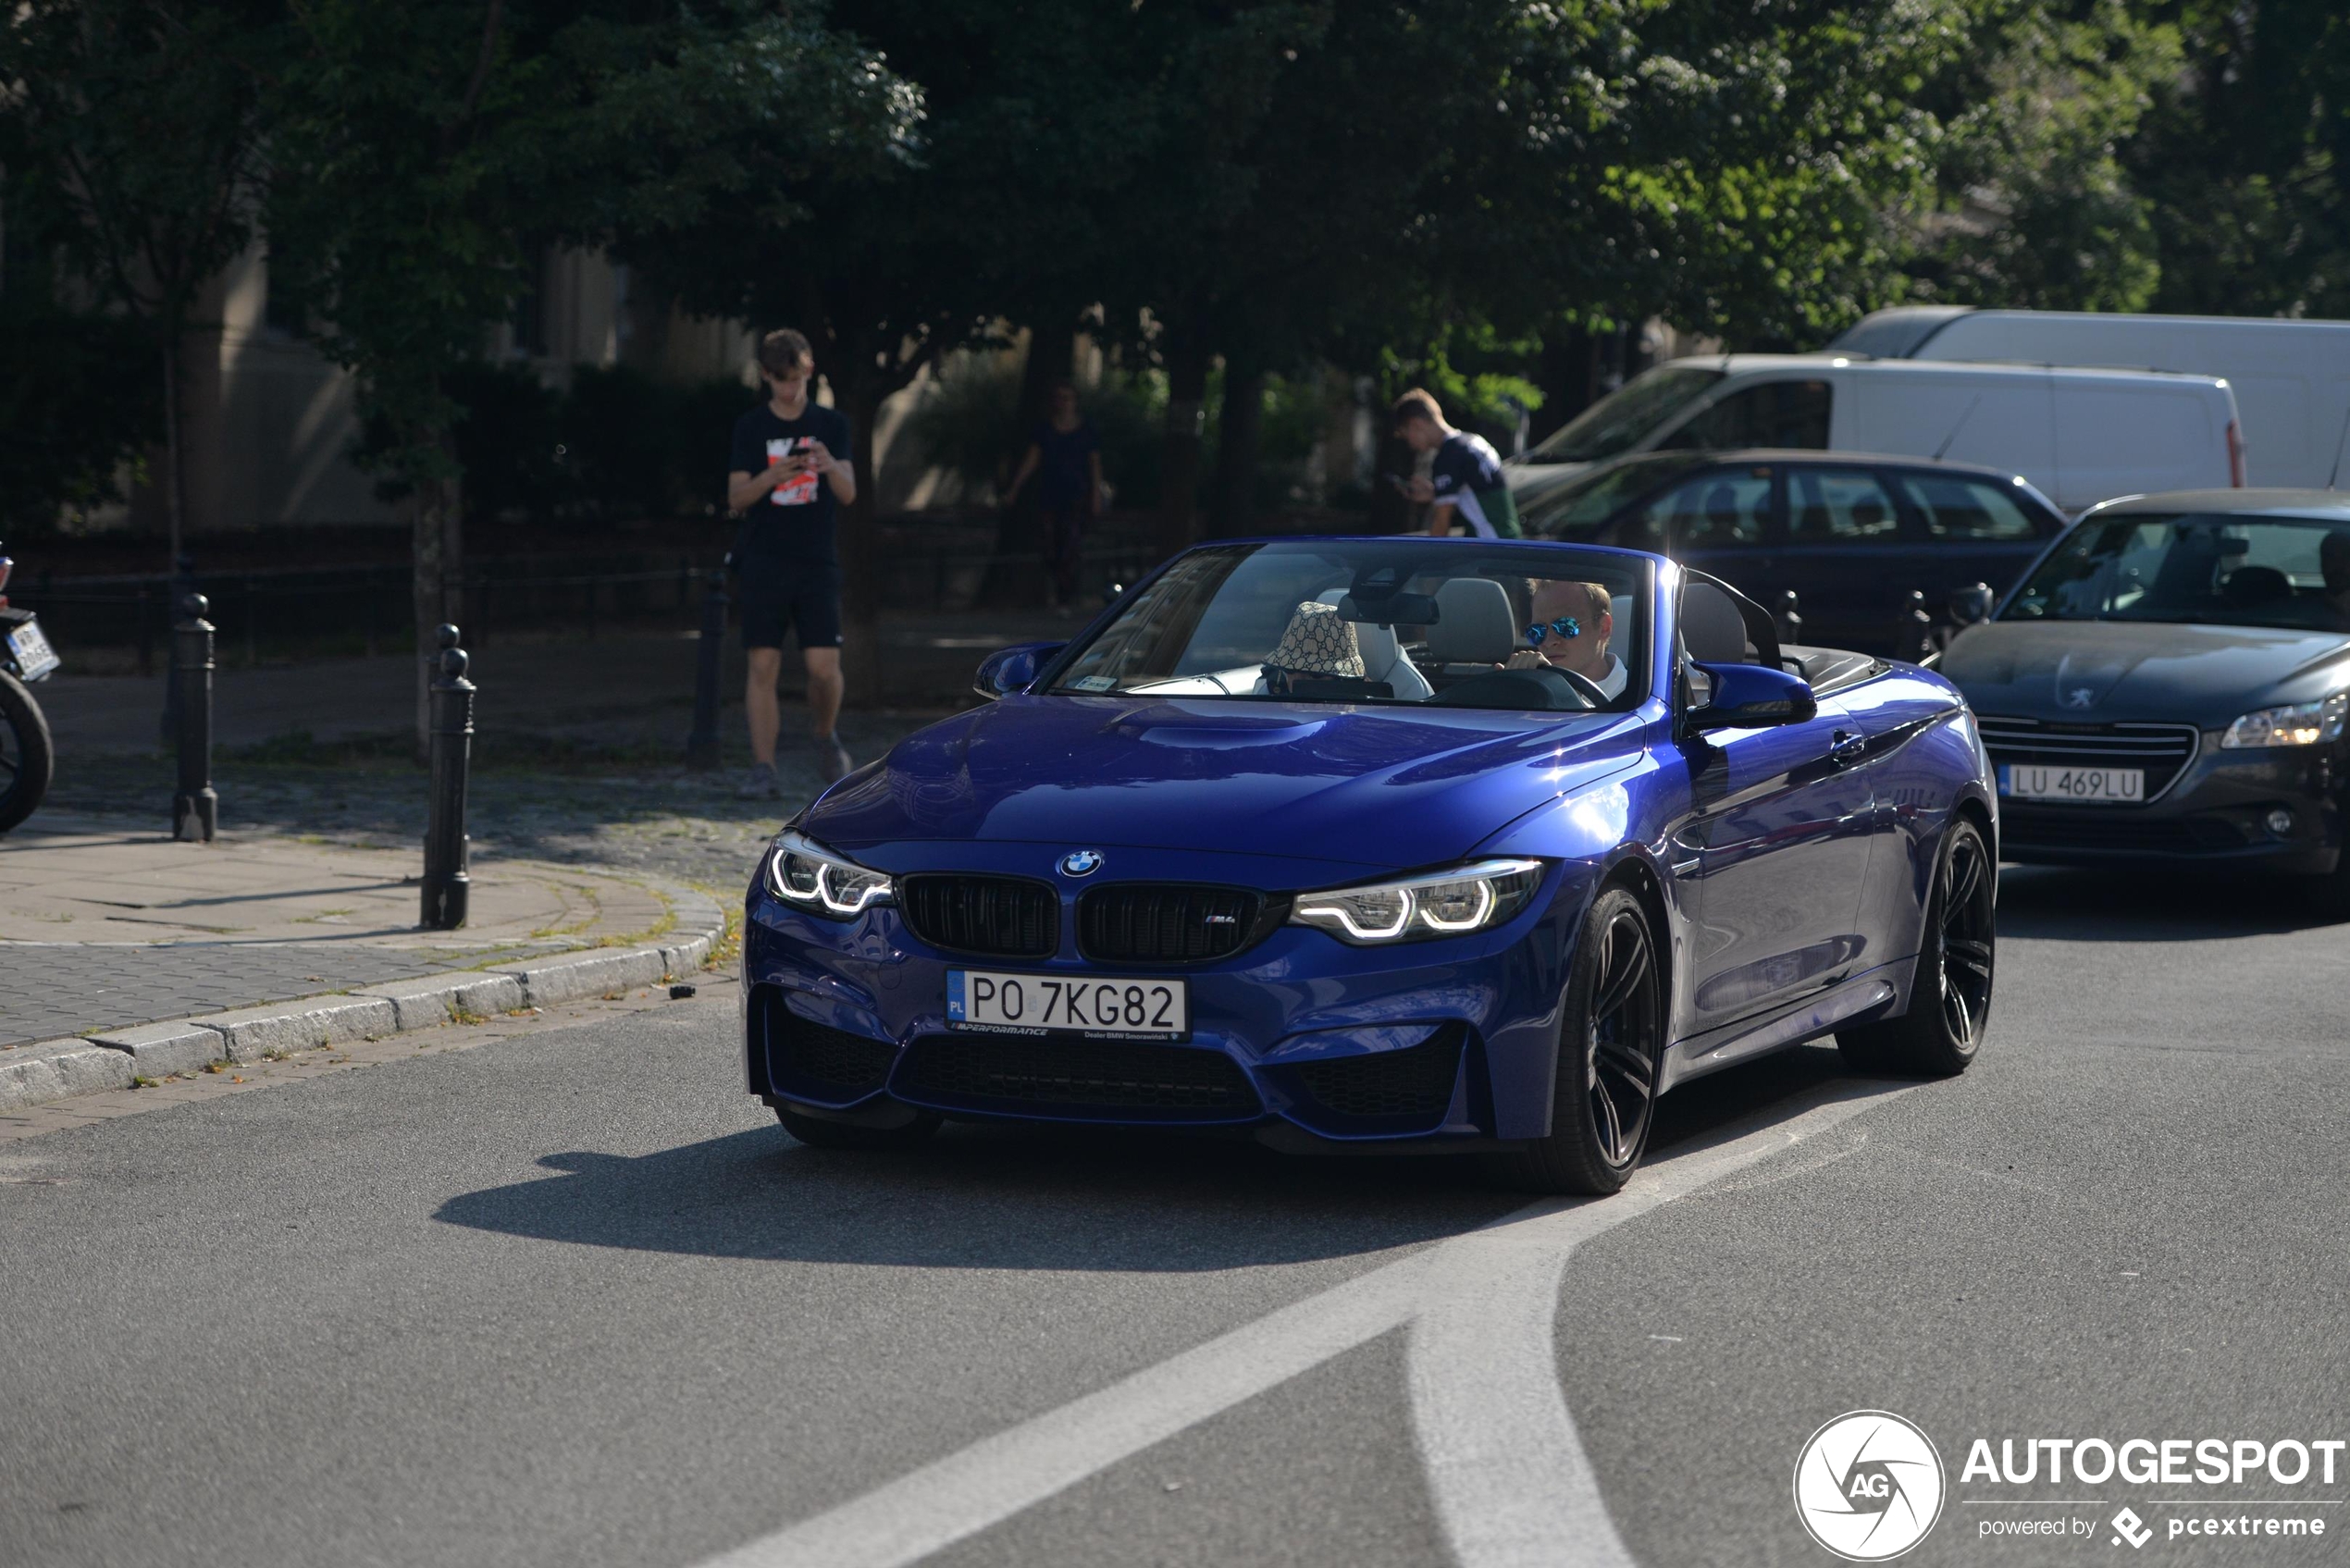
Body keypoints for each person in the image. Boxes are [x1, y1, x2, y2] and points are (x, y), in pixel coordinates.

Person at [725, 328, 856, 796]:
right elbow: (736, 498)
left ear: (809, 370)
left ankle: (825, 734)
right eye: (780, 379)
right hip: (765, 560)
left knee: (824, 668)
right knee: (762, 666)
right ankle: (764, 768)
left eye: (797, 377)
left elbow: (849, 493)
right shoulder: (752, 427)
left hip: (817, 561)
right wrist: (772, 476)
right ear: (766, 376)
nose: (790, 388)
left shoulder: (831, 424)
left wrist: (828, 465)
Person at [1005, 382, 1105, 612]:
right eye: (1060, 397)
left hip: (1076, 495)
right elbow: (1032, 459)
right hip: (1050, 494)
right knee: (1049, 544)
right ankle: (1056, 589)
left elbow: (1094, 464)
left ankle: (1065, 596)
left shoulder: (1087, 430)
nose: (1064, 403)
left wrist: (1096, 495)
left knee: (1070, 544)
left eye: (1068, 398)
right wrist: (1015, 488)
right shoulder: (1045, 430)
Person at [1392, 389, 1522, 538]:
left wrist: (1426, 558)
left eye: (1405, 434)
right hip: (1508, 540)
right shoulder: (1474, 441)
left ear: (1416, 424)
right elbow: (1477, 492)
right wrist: (1436, 493)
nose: (1410, 443)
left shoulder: (1448, 456)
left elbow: (1442, 523)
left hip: (1488, 545)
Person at [1506, 579, 1627, 698]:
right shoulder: (1527, 691)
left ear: (1603, 628)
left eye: (1565, 627)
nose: (1549, 642)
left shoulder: (1639, 699)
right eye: (1537, 631)